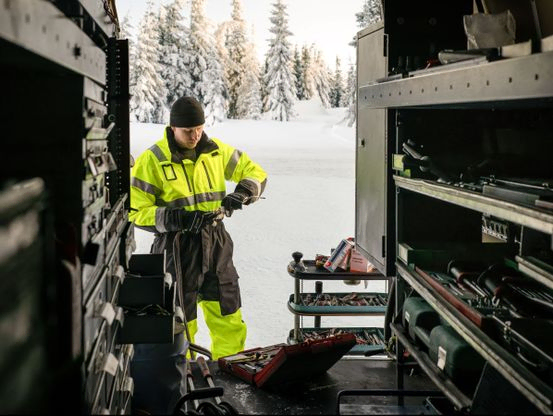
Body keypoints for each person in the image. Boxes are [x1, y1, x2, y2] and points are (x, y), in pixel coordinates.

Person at [130, 96, 267, 359]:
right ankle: (184, 380)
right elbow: (136, 211)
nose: (195, 136)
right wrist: (176, 218)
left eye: (199, 129)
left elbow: (256, 172)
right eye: (188, 131)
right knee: (181, 321)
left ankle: (229, 373)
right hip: (176, 246)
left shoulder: (216, 152)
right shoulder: (153, 160)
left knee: (228, 314)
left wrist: (242, 192)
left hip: (215, 242)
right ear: (173, 129)